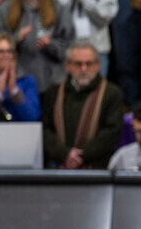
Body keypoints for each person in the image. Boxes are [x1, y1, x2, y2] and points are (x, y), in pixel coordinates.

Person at [41, 41, 125, 169]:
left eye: (89, 64)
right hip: (59, 167)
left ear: (98, 65)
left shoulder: (112, 94)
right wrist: (65, 154)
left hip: (98, 170)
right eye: (78, 64)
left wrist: (81, 155)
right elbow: (45, 131)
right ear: (67, 66)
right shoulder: (53, 93)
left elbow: (111, 133)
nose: (84, 69)